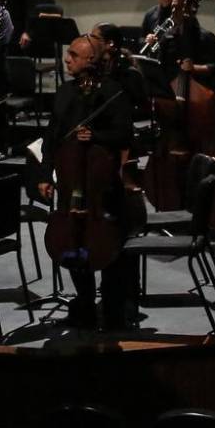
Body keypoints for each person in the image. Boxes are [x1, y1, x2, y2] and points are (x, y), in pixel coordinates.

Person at [38, 36, 137, 329]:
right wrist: (45, 174)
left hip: (101, 186)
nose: (67, 59)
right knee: (72, 244)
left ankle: (113, 307)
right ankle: (83, 302)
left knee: (107, 247)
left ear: (91, 61)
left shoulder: (112, 91)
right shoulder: (65, 92)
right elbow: (52, 137)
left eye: (73, 55)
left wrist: (96, 137)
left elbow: (124, 135)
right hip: (69, 185)